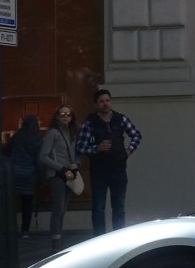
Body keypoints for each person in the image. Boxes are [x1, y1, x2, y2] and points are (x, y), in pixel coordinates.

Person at [76, 88, 142, 235]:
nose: (105, 104)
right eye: (101, 101)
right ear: (96, 104)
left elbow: (136, 135)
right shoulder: (90, 122)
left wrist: (128, 150)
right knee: (98, 207)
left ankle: (118, 236)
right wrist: (96, 148)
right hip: (99, 171)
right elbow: (80, 146)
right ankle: (99, 237)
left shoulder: (120, 119)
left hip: (118, 170)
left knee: (118, 207)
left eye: (107, 100)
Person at [39, 105, 79, 252]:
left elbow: (76, 154)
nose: (65, 117)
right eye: (62, 114)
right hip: (57, 175)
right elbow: (43, 156)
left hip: (70, 174)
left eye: (68, 114)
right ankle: (56, 242)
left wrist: (76, 164)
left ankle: (59, 238)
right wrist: (62, 169)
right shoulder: (52, 133)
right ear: (56, 116)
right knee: (58, 209)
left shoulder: (73, 133)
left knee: (63, 209)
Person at [3, 114, 44, 238]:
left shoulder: (17, 136)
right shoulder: (37, 139)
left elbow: (6, 151)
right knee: (27, 203)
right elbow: (39, 160)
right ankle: (25, 230)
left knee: (12, 203)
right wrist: (41, 176)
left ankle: (10, 227)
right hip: (29, 173)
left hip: (14, 172)